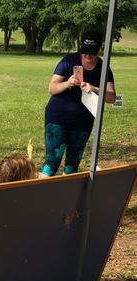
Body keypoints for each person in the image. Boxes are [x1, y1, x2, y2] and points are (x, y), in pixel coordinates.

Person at [39, 30, 116, 178]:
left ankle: (66, 198)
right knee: (52, 162)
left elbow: (112, 97)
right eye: (85, 52)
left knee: (72, 165)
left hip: (83, 122)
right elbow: (52, 88)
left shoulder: (103, 67)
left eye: (92, 53)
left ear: (100, 48)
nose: (87, 56)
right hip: (57, 119)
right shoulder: (69, 60)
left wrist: (94, 88)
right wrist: (68, 83)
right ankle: (41, 197)